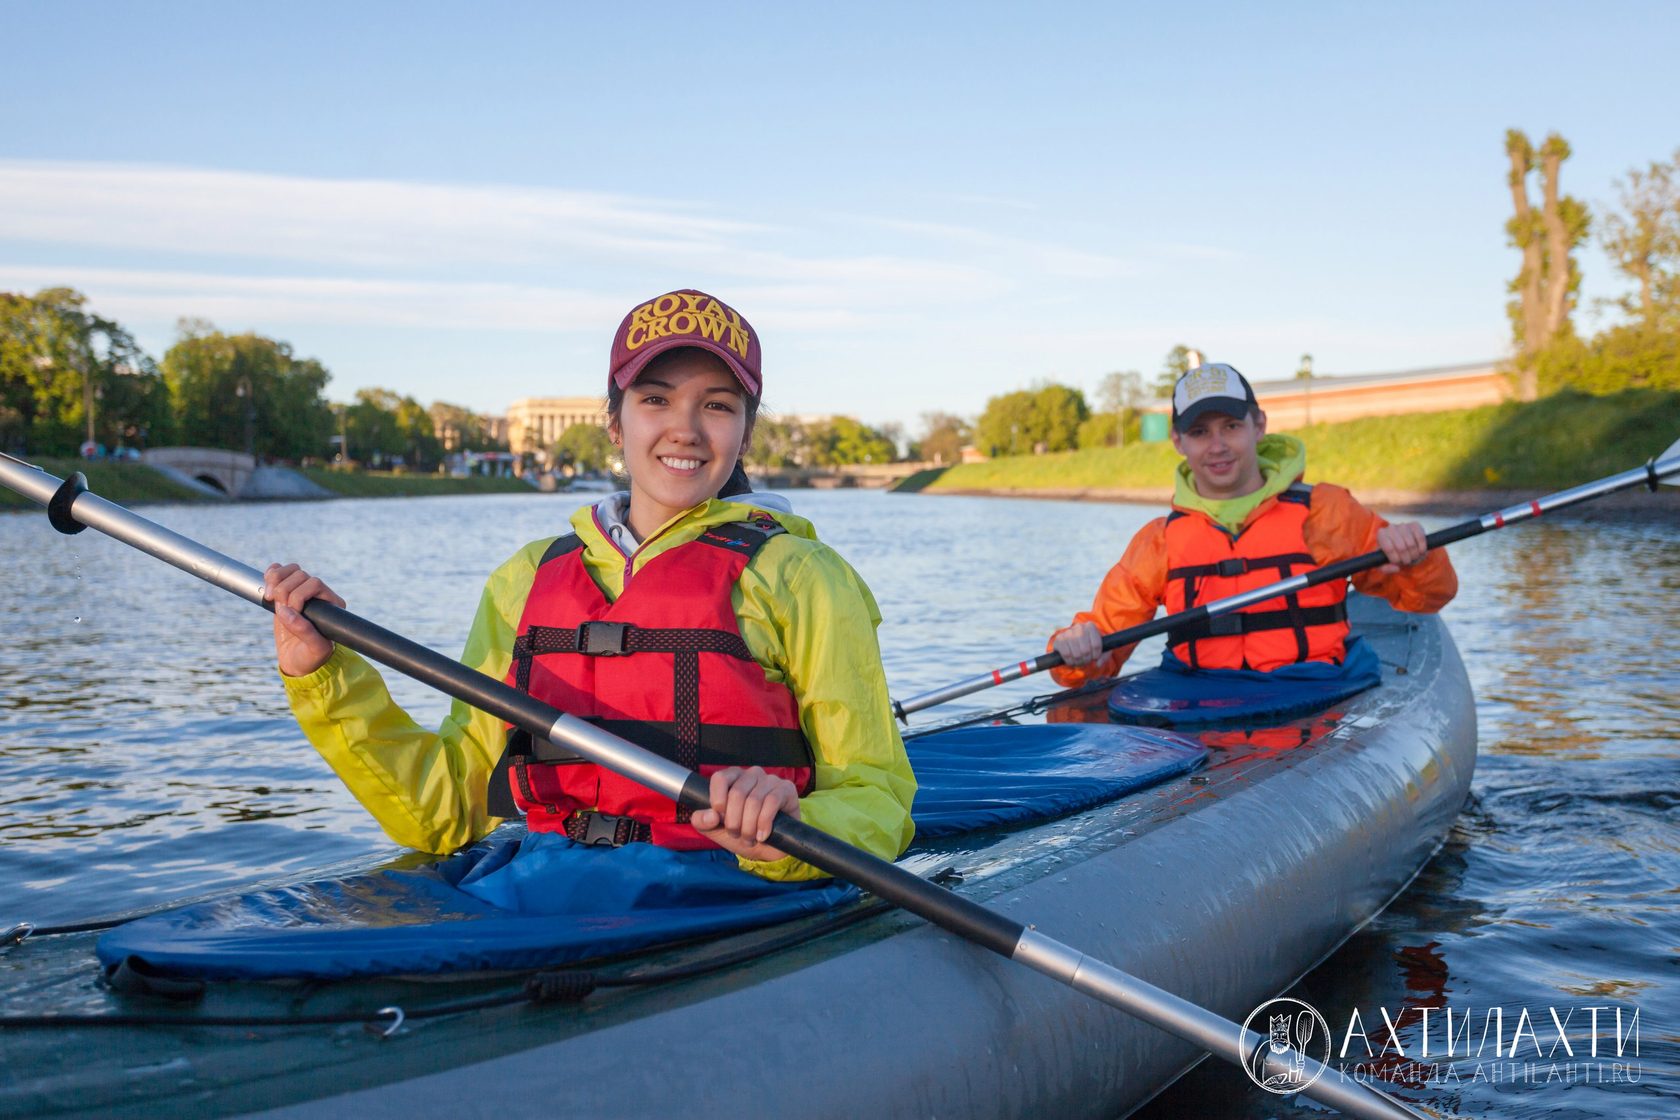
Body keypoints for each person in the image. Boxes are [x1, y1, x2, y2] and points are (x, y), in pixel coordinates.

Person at [264, 289, 916, 890]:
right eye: (655, 399)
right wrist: (324, 678)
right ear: (615, 423)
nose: (684, 427)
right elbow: (439, 815)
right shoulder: (524, 580)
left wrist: (790, 831)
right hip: (547, 885)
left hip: (727, 892)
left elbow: (875, 799)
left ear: (745, 433)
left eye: (717, 405)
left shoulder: (802, 577)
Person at [1048, 362, 1457, 688]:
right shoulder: (1160, 540)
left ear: (1258, 426)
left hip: (1316, 691)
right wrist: (1077, 649)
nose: (1218, 445)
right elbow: (1098, 655)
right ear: (1179, 442)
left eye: (1231, 426)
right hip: (1201, 698)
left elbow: (1428, 598)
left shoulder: (1325, 511)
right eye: (1200, 432)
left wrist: (1416, 558)